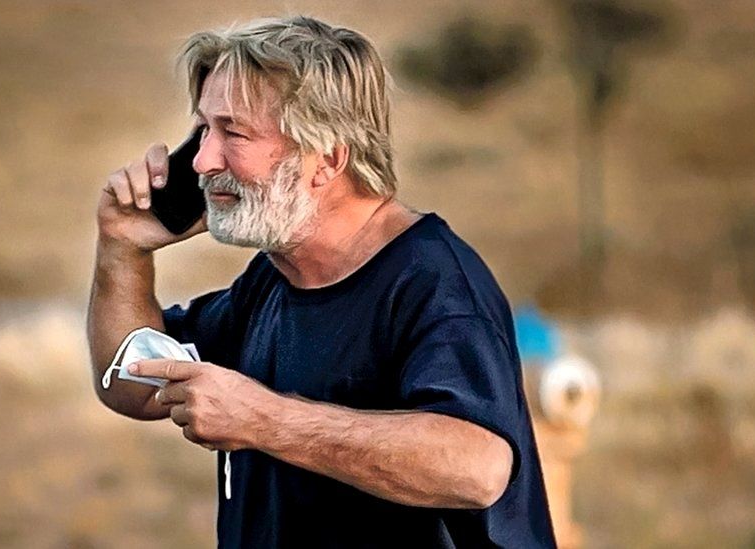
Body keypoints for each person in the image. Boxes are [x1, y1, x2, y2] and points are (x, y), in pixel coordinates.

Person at [87, 15, 556, 548]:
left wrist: (264, 420)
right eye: (203, 129)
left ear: (327, 158)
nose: (201, 159)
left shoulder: (435, 284)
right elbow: (129, 382)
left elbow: (476, 465)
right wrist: (123, 249)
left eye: (233, 133)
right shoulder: (271, 279)